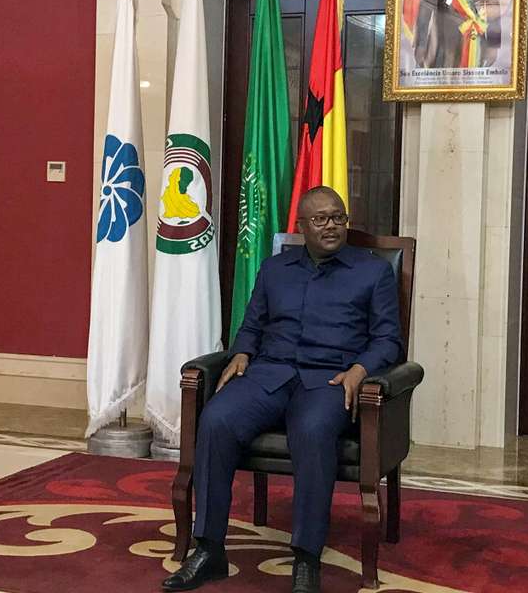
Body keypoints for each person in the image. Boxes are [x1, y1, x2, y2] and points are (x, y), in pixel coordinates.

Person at [162, 187, 402, 593]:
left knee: (312, 430)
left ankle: (306, 558)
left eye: (338, 217)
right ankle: (209, 549)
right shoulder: (275, 269)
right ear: (302, 226)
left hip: (329, 380)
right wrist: (241, 352)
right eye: (321, 219)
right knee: (217, 419)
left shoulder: (373, 271)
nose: (331, 226)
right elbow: (252, 324)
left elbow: (388, 339)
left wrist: (360, 370)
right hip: (270, 374)